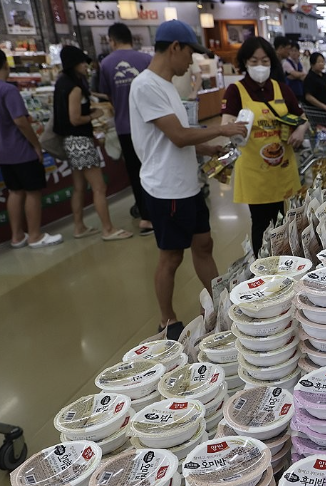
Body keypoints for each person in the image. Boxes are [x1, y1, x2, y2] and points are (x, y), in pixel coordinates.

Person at [129, 20, 248, 339]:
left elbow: (177, 138)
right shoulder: (145, 86)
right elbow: (179, 136)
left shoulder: (167, 86)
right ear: (174, 48)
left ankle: (221, 302)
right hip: (165, 187)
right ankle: (166, 319)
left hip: (187, 183)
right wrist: (222, 129)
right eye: (190, 54)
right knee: (171, 256)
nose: (192, 61)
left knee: (204, 244)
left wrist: (209, 148)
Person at [221, 36, 309, 254]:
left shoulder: (281, 89)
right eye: (253, 61)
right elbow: (226, 125)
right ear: (244, 63)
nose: (260, 66)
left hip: (282, 167)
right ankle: (263, 264)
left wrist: (299, 130)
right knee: (261, 223)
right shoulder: (236, 91)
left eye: (265, 61)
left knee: (282, 219)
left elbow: (302, 117)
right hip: (254, 171)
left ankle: (283, 261)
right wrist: (236, 127)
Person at [0, 46, 62, 248]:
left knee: (15, 192)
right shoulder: (7, 89)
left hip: (2, 151)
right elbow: (21, 122)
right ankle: (35, 236)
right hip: (21, 150)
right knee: (32, 192)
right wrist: (36, 145)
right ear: (5, 64)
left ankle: (17, 236)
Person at [54, 46, 133, 242]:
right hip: (80, 141)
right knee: (99, 187)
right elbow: (74, 118)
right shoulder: (74, 87)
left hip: (69, 141)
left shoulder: (62, 83)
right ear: (74, 64)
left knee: (79, 187)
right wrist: (93, 115)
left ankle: (79, 226)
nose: (86, 66)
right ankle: (108, 229)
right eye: (82, 62)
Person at [99, 22, 154, 236]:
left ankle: (145, 217)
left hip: (124, 126)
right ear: (131, 38)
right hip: (149, 125)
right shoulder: (146, 60)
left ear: (112, 40)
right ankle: (157, 212)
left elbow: (109, 96)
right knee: (152, 168)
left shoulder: (106, 64)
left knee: (135, 172)